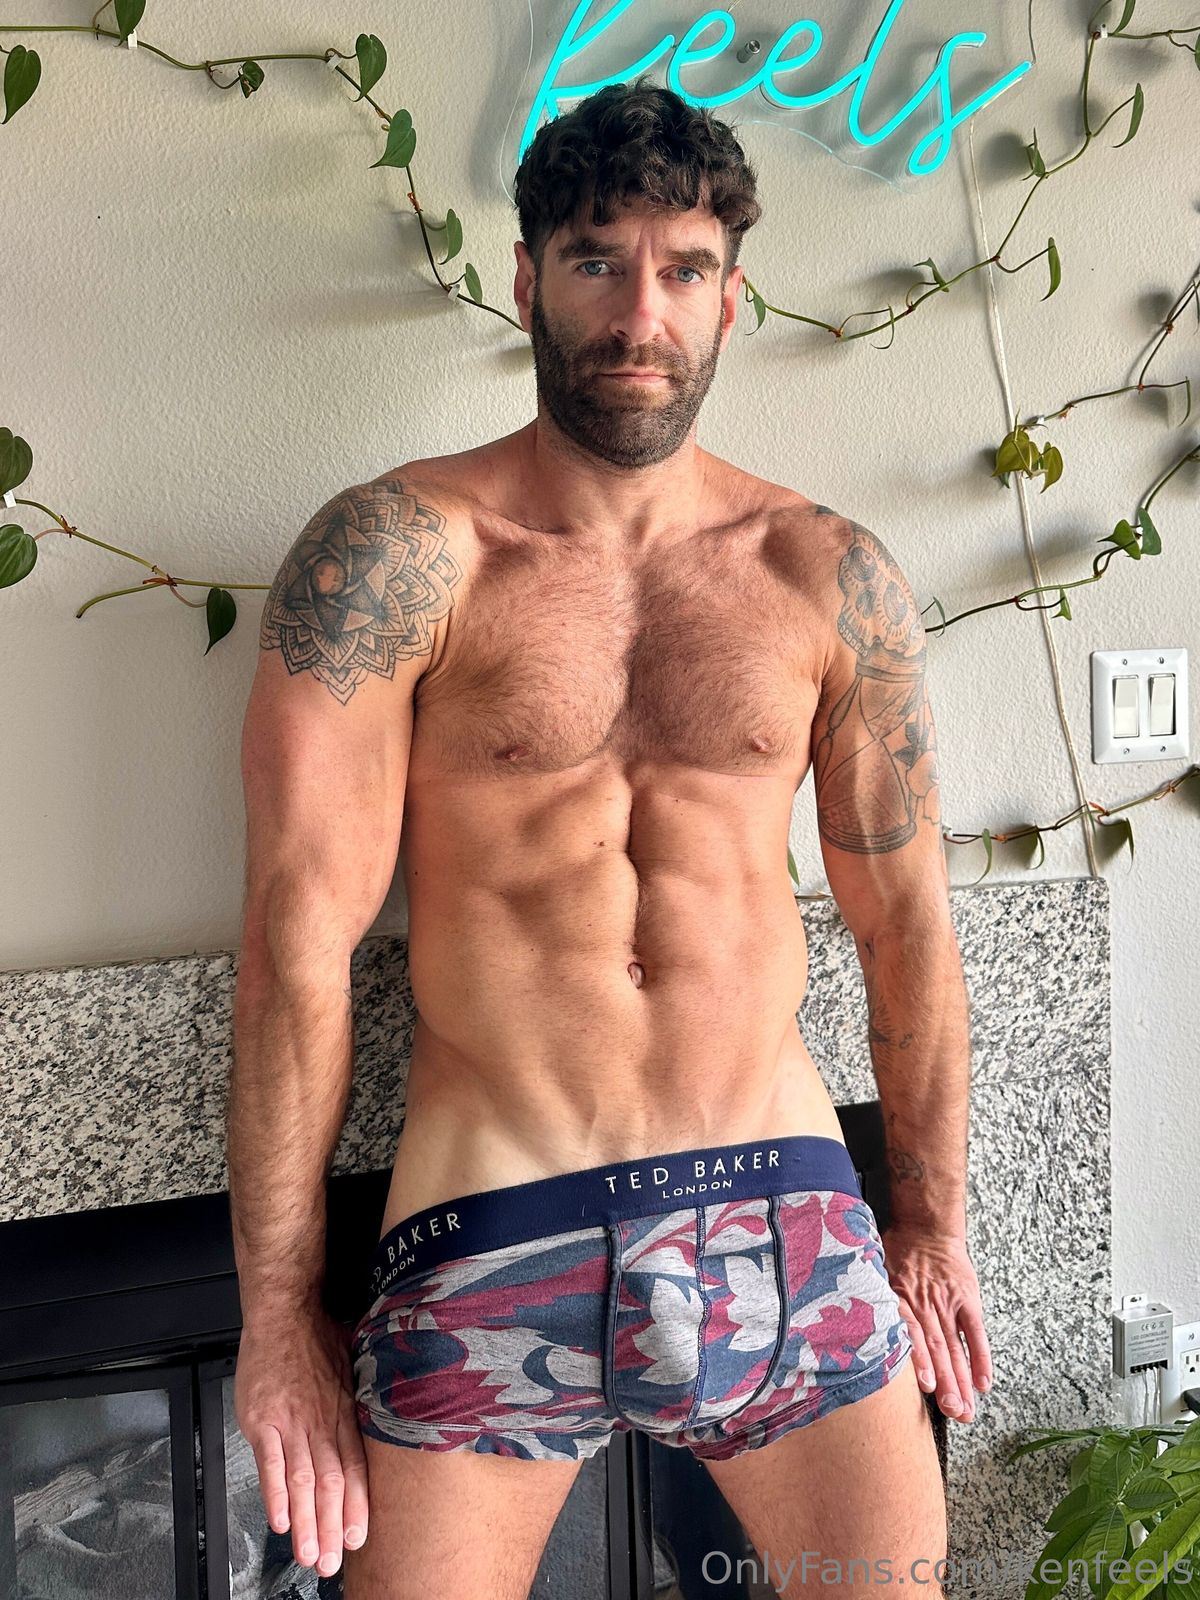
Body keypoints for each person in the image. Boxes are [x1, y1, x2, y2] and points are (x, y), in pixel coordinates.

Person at [227, 78, 989, 1600]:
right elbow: (297, 943)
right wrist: (275, 1313)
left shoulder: (827, 574)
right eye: (597, 261)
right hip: (494, 1221)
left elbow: (906, 925)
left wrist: (929, 1222)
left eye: (684, 268)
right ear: (527, 279)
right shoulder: (398, 555)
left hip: (782, 1210)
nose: (642, 312)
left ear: (731, 297)